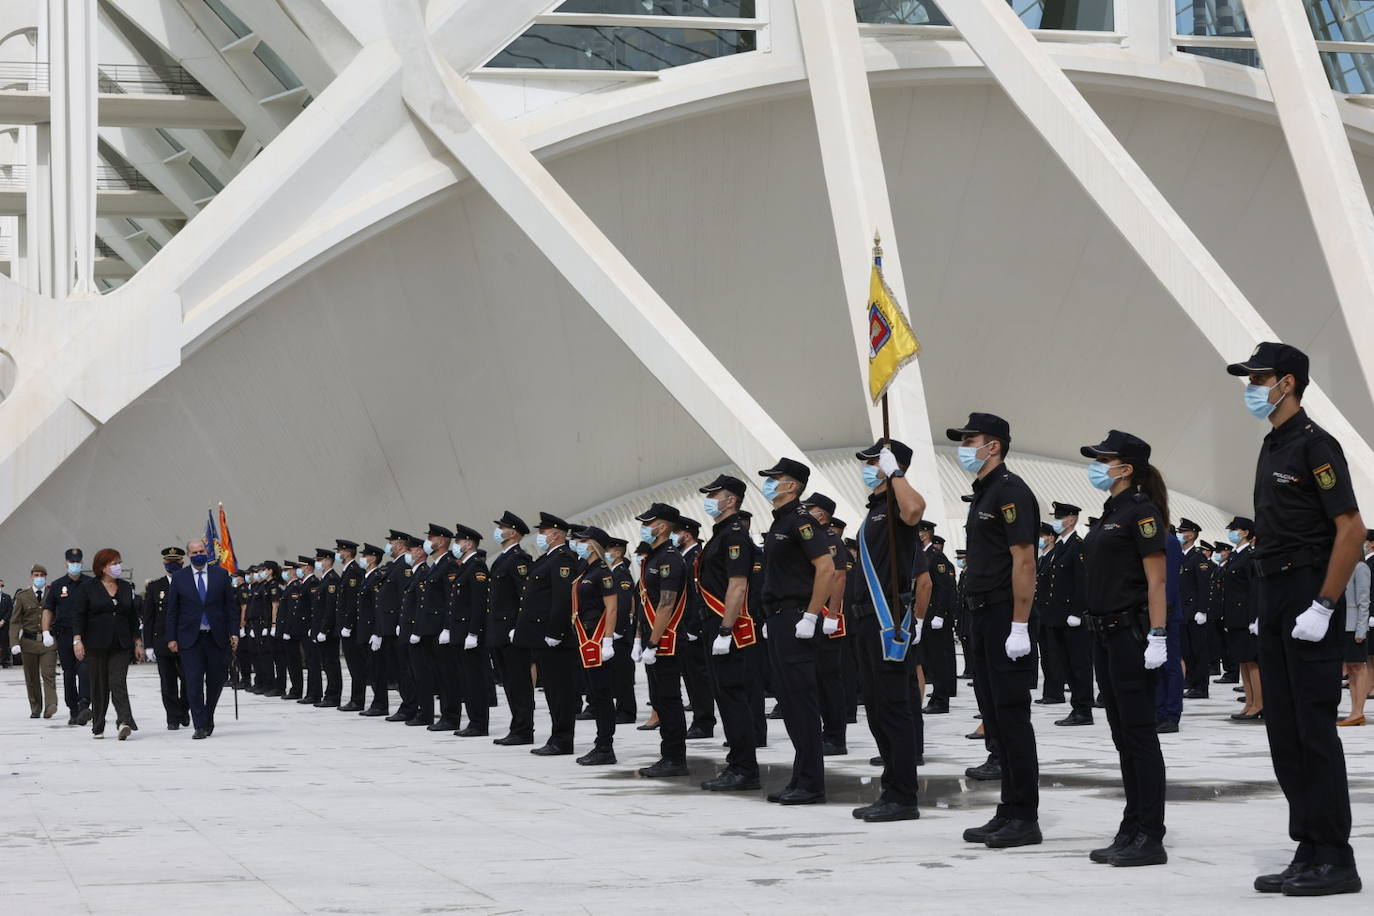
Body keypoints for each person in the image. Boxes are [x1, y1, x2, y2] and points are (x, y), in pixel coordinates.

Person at [1227, 342, 1364, 896]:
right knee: (1283, 731)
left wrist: (1324, 605)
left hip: (1309, 590)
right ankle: (1308, 846)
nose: (1251, 387)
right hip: (1275, 592)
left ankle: (1336, 856)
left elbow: (1350, 530)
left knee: (1312, 729)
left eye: (1258, 378)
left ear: (1287, 382)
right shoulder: (1272, 445)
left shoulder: (1316, 445)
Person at [949, 413, 1042, 849]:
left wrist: (1020, 624)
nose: (964, 447)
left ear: (994, 447)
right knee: (995, 718)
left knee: (1012, 716)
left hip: (1005, 614)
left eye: (972, 440)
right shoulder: (983, 493)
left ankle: (1025, 816)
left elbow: (1024, 560)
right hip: (980, 615)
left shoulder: (1010, 492)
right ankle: (1008, 809)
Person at [1079, 430, 1171, 866]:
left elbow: (1156, 579)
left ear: (1125, 468)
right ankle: (1131, 824)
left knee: (1139, 736)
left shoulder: (1141, 512)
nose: (1098, 465)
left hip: (1131, 635)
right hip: (1104, 636)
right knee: (1122, 736)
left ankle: (1150, 834)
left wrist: (1158, 634)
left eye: (1104, 459)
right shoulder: (1110, 512)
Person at [848, 440, 927, 823]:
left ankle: (904, 796)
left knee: (894, 709)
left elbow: (916, 510)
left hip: (888, 621)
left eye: (872, 460)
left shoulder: (898, 504)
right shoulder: (877, 509)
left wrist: (896, 472)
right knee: (877, 710)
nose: (866, 466)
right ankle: (890, 789)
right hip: (866, 621)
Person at [756, 457, 840, 805]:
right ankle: (800, 776)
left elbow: (827, 568)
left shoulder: (801, 522)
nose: (770, 483)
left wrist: (810, 616)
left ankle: (811, 783)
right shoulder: (780, 522)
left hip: (795, 617)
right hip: (778, 617)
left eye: (775, 478)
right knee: (788, 702)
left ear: (791, 485)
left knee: (802, 702)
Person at [695, 474, 761, 791]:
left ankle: (745, 768)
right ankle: (737, 762)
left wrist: (725, 629)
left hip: (726, 628)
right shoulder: (720, 534)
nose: (709, 499)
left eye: (714, 494)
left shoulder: (734, 535)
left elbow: (737, 586)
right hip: (714, 625)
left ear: (731, 500)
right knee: (724, 696)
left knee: (733, 697)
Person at [635, 502, 691, 778]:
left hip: (666, 640)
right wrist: (641, 639)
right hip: (653, 638)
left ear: (663, 526)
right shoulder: (653, 556)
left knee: (669, 698)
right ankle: (667, 754)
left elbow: (666, 605)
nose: (645, 528)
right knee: (659, 697)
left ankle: (675, 757)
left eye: (649, 523)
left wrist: (653, 643)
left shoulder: (669, 557)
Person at [516, 512, 579, 756]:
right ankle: (557, 736)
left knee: (560, 691)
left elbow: (562, 599)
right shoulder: (546, 559)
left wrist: (555, 631)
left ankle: (563, 740)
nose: (540, 536)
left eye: (543, 532)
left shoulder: (563, 559)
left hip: (554, 638)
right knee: (552, 690)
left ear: (555, 535)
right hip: (541, 636)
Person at [165, 539, 239, 739]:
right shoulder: (180, 578)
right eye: (194, 551)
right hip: (190, 638)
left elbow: (230, 607)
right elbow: (172, 611)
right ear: (188, 555)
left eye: (201, 550)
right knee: (194, 681)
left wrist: (234, 632)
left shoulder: (220, 574)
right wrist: (171, 637)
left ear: (206, 552)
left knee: (216, 680)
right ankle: (199, 724)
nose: (199, 554)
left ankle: (208, 715)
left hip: (216, 636)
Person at [800, 491, 851, 755]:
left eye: (809, 509)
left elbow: (838, 578)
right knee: (817, 679)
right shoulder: (814, 539)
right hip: (813, 615)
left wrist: (832, 615)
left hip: (827, 618)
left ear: (820, 514)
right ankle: (826, 731)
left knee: (829, 679)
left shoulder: (831, 540)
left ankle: (835, 736)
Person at [72, 549, 141, 740]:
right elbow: (79, 615)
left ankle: (124, 721)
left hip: (121, 643)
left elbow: (132, 617)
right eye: (113, 563)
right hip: (96, 643)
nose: (117, 566)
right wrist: (77, 640)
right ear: (102, 567)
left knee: (117, 681)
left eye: (119, 562)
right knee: (99, 685)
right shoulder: (88, 587)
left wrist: (138, 641)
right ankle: (98, 724)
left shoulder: (126, 587)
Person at [568, 526, 620, 764]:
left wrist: (607, 640)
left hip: (597, 639)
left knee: (602, 694)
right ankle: (600, 744)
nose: (578, 543)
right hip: (585, 638)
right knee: (595, 694)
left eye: (583, 540)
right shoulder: (586, 570)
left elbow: (611, 608)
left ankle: (605, 747)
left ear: (593, 544)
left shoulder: (602, 572)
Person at [1043, 503, 1093, 726]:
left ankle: (1084, 709)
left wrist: (1077, 612)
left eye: (1061, 517)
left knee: (1078, 665)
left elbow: (1083, 582)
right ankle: (1077, 707)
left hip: (1072, 618)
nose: (1057, 521)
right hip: (1058, 617)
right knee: (1066, 664)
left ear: (1071, 520)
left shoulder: (1078, 546)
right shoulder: (1061, 547)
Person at [488, 512, 534, 746]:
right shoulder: (501, 559)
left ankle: (524, 729)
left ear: (514, 532)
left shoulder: (518, 560)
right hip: (498, 632)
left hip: (511, 632)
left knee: (519, 682)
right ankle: (516, 726)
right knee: (508, 682)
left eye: (503, 527)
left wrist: (518, 627)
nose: (499, 531)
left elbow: (525, 596)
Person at [672, 516, 717, 740]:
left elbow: (697, 595)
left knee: (699, 677)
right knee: (690, 676)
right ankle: (699, 718)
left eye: (676, 532)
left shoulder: (695, 558)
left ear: (687, 534)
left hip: (693, 626)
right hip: (682, 626)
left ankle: (704, 721)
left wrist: (692, 626)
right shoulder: (682, 558)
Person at [448, 525, 491, 737]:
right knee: (466, 679)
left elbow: (478, 604)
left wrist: (473, 632)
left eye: (459, 542)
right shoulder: (465, 567)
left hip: (469, 634)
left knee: (474, 680)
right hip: (460, 633)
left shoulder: (476, 568)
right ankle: (474, 720)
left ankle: (479, 723)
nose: (456, 546)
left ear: (469, 544)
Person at [42, 548, 92, 726]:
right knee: (69, 674)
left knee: (85, 669)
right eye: (72, 562)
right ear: (66, 563)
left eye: (78, 561)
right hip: (64, 635)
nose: (75, 565)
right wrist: (45, 631)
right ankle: (73, 709)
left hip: (86, 635)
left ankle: (84, 703)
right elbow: (48, 609)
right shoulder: (57, 585)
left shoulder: (90, 583)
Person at [142, 548, 191, 729]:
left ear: (182, 563)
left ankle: (184, 710)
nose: (173, 564)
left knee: (188, 679)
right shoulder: (155, 587)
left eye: (176, 561)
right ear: (164, 563)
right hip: (161, 641)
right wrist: (148, 645)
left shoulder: (189, 582)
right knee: (167, 682)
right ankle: (172, 717)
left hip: (186, 640)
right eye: (169, 561)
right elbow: (148, 618)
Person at [1219, 518, 1262, 721]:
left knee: (1252, 661)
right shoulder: (1236, 556)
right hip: (1235, 616)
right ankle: (1250, 702)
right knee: (1243, 661)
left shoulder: (1250, 556)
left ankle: (1259, 703)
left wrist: (1255, 618)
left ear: (1245, 532)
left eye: (1235, 530)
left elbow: (1254, 589)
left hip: (1246, 616)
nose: (1232, 533)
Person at [10, 565, 58, 718]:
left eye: (41, 575)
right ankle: (36, 707)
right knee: (31, 678)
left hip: (47, 642)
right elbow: (15, 621)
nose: (39, 577)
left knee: (48, 674)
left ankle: (51, 705)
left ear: (46, 577)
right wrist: (14, 642)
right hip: (28, 642)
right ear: (31, 576)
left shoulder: (52, 594)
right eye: (36, 574)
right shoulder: (22, 596)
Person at [355, 544, 391, 717]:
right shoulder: (366, 577)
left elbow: (378, 607)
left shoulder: (376, 577)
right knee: (371, 669)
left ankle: (381, 704)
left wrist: (377, 632)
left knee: (378, 670)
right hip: (365, 630)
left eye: (365, 555)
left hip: (372, 631)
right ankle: (377, 702)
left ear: (373, 558)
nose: (362, 558)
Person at [606, 537, 638, 723]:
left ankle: (627, 711)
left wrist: (616, 630)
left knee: (623, 675)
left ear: (618, 553)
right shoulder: (612, 573)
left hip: (621, 632)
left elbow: (624, 603)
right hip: (615, 631)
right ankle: (621, 709)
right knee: (616, 674)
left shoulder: (621, 574)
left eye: (609, 550)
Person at [334, 540, 368, 712]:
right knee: (352, 664)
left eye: (340, 550)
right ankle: (355, 698)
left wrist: (348, 624)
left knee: (356, 665)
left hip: (352, 627)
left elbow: (353, 602)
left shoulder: (353, 572)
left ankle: (358, 699)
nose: (338, 553)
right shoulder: (347, 571)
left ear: (347, 552)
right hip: (346, 626)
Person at [1338, 543, 1369, 727]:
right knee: (1350, 670)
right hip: (1343, 625)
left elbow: (1364, 600)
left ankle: (1359, 711)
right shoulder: (1345, 567)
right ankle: (1354, 711)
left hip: (1354, 625)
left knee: (1358, 667)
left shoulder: (1360, 567)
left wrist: (1361, 629)